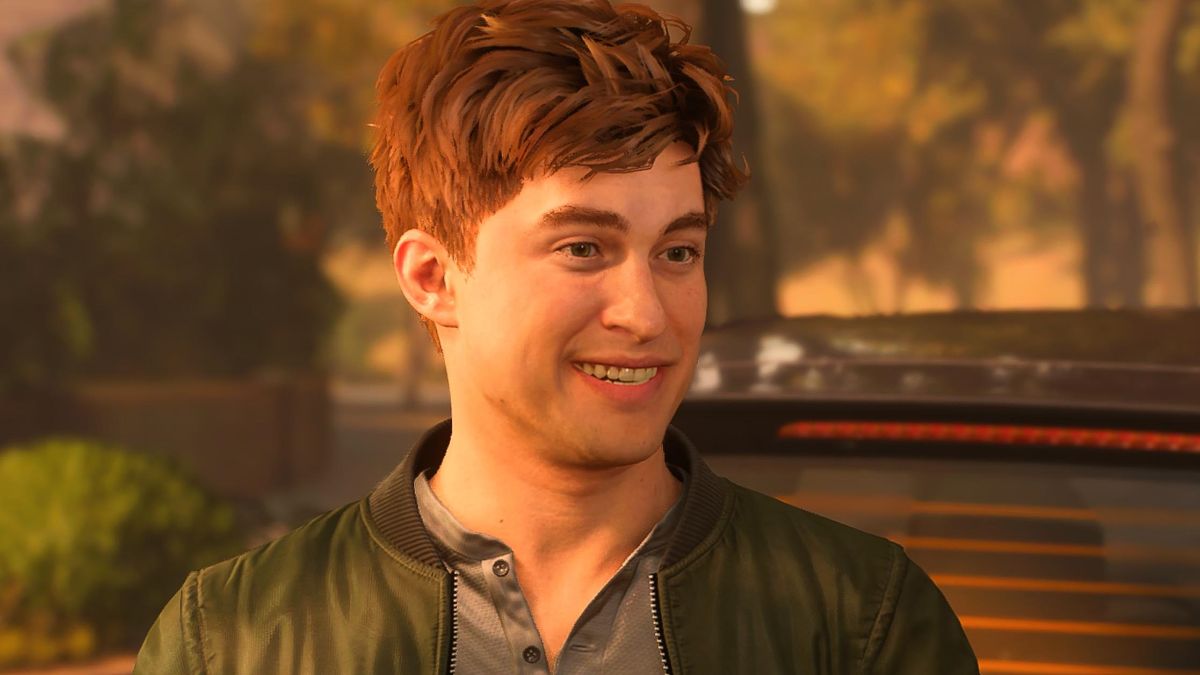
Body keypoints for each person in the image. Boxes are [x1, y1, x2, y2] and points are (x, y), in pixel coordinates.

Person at [135, 1, 979, 672]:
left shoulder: (863, 626)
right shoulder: (231, 641)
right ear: (432, 277)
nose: (646, 314)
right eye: (583, 248)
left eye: (677, 251)